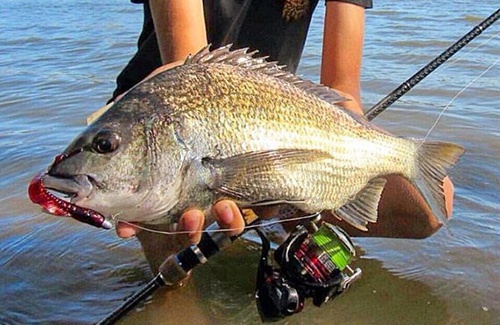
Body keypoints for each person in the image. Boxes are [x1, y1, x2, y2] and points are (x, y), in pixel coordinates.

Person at [109, 0, 455, 273]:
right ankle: (176, 278)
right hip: (165, 127)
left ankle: (281, 213)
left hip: (280, 116)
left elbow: (341, 86)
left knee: (429, 205)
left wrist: (368, 152)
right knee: (177, 232)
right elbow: (193, 75)